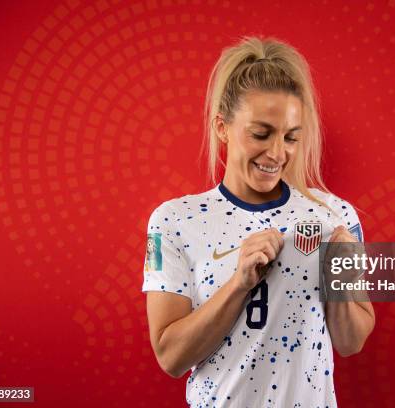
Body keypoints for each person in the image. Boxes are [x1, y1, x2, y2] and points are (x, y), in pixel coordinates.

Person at [142, 36, 375, 407]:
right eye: (261, 134)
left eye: (291, 137)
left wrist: (339, 280)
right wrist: (239, 284)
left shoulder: (336, 217)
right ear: (222, 127)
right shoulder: (173, 222)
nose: (277, 153)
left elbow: (351, 342)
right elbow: (170, 357)